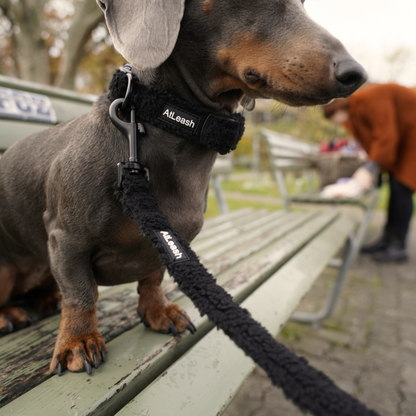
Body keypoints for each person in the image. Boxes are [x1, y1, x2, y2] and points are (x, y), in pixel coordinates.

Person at [324, 83, 416, 262]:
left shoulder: (366, 99)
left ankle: (398, 247)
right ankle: (387, 240)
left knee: (403, 188)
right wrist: (377, 169)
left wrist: (371, 167)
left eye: (333, 117)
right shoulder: (359, 106)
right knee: (397, 188)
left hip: (412, 140)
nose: (337, 123)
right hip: (408, 140)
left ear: (336, 109)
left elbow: (386, 135)